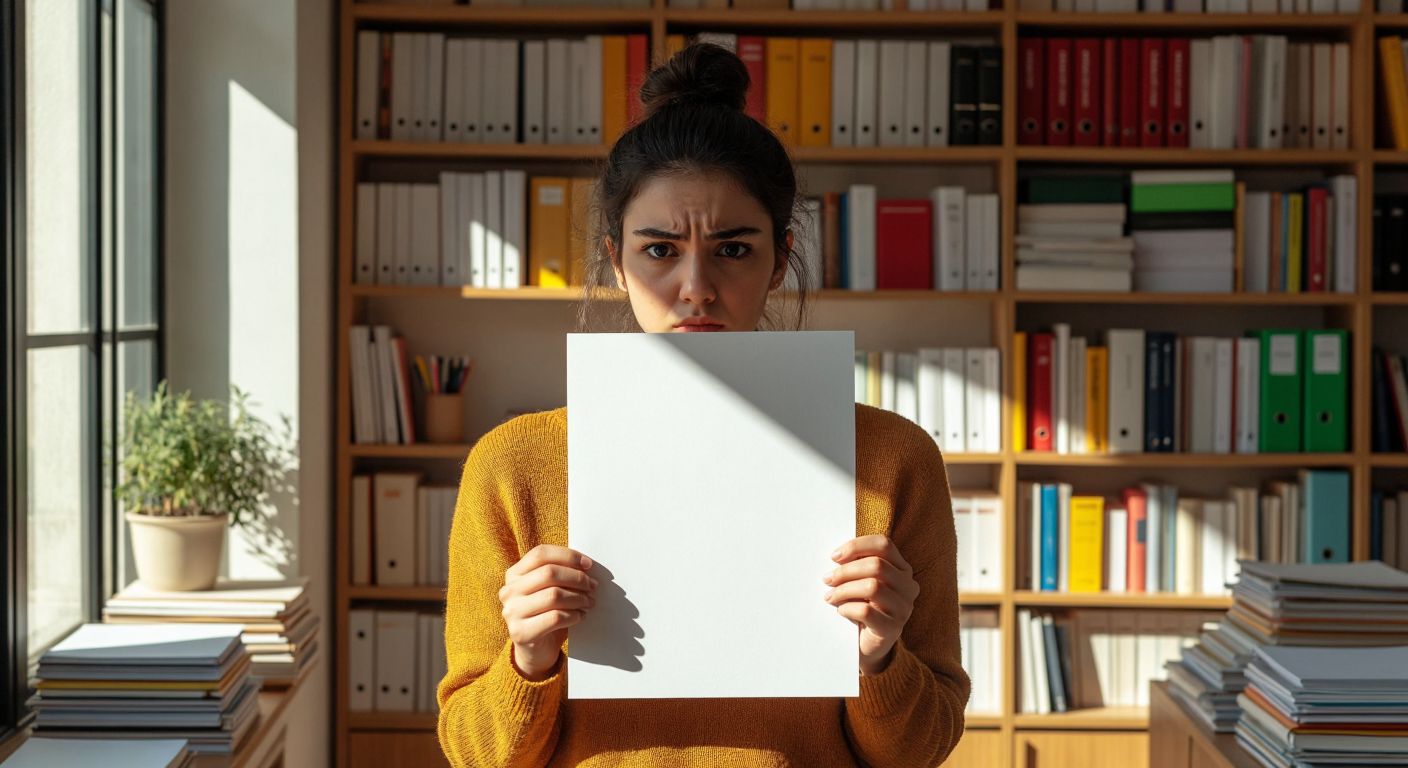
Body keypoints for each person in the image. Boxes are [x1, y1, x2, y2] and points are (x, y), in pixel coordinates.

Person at [436, 42, 970, 767]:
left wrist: (878, 657)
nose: (696, 287)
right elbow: (474, 752)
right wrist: (529, 659)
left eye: (733, 249)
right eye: (659, 251)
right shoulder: (514, 464)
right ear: (615, 260)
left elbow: (923, 748)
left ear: (779, 260)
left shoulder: (891, 461)